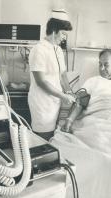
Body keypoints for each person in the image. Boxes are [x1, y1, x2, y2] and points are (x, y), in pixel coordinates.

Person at [61, 49, 111, 139]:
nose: (101, 68)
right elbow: (79, 104)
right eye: (100, 64)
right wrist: (69, 120)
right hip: (94, 120)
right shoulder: (92, 81)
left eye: (106, 64)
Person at [28, 9, 75, 141]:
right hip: (42, 102)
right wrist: (63, 95)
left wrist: (70, 92)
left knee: (54, 137)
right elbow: (41, 81)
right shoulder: (39, 50)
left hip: (55, 101)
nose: (64, 37)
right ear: (54, 31)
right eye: (63, 34)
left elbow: (63, 75)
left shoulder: (58, 50)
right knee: (42, 138)